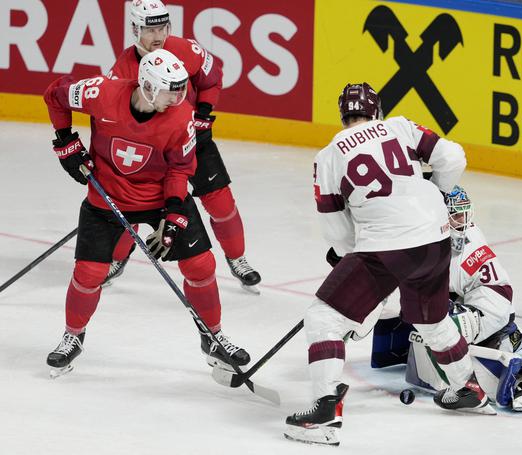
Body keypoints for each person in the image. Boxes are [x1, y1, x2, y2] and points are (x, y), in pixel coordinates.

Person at [283, 82, 491, 447]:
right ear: (376, 111)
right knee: (432, 320)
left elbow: (335, 227)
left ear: (343, 116)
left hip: (385, 248)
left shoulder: (329, 155)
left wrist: (352, 254)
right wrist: (438, 193)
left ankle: (324, 412)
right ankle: (468, 389)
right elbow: (454, 157)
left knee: (324, 317)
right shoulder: (401, 126)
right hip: (436, 237)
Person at [43, 49, 250, 378]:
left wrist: (174, 217)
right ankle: (73, 336)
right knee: (89, 273)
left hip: (158, 197)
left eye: (182, 89)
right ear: (150, 87)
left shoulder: (182, 117)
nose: (180, 97)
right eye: (173, 90)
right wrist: (66, 142)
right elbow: (55, 94)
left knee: (200, 264)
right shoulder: (101, 93)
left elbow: (180, 170)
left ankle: (213, 336)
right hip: (107, 197)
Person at [103, 0, 261, 293]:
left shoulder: (186, 49)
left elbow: (212, 79)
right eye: (150, 29)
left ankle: (237, 258)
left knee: (221, 203)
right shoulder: (122, 70)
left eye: (163, 27)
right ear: (135, 29)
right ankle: (117, 256)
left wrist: (202, 114)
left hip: (191, 139)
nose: (158, 36)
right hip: (151, 153)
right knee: (130, 209)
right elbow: (113, 117)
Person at [371, 186, 522, 412]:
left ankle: (490, 381)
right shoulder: (463, 233)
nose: (461, 220)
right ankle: (507, 335)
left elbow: (431, 291)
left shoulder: (450, 244)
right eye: (455, 215)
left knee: (436, 327)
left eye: (462, 214)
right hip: (494, 303)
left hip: (487, 308)